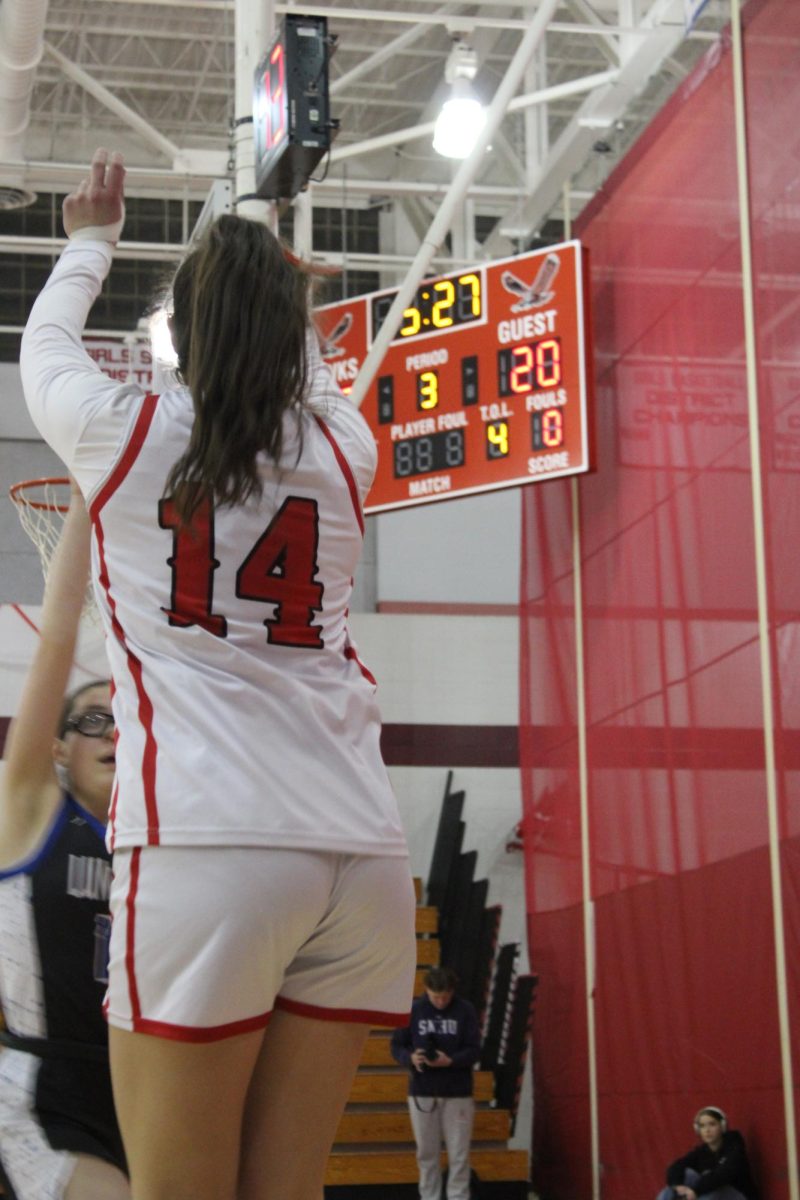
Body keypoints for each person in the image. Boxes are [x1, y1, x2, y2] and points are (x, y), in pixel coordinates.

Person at [20, 147, 417, 1200]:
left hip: (210, 845)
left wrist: (91, 238)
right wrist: (286, 301)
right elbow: (316, 374)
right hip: (360, 853)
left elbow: (46, 342)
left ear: (177, 334)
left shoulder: (124, 428)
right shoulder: (344, 448)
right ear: (290, 333)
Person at [0, 481, 129, 1199]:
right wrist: (89, 492)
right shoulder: (30, 812)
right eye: (89, 723)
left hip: (141, 1084)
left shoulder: (153, 841)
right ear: (55, 749)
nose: (111, 733)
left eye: (123, 723)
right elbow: (56, 639)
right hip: (42, 1084)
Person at [391, 966, 481, 1200]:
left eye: (445, 996)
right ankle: (429, 1196)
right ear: (426, 990)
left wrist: (451, 1060)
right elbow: (396, 1045)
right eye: (435, 996)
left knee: (459, 1153)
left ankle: (458, 1196)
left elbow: (474, 1049)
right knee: (426, 1152)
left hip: (458, 1091)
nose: (440, 1001)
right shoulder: (415, 1009)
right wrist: (410, 1058)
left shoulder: (465, 1010)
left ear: (452, 991)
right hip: (422, 1090)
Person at [656, 1107, 759, 1200]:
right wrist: (677, 1186)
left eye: (712, 1124)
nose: (707, 1130)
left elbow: (722, 1175)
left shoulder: (734, 1147)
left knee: (712, 1192)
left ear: (722, 1126)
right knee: (683, 1176)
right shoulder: (701, 1151)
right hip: (710, 1191)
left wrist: (695, 1191)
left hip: (739, 1195)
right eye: (702, 1126)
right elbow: (677, 1166)